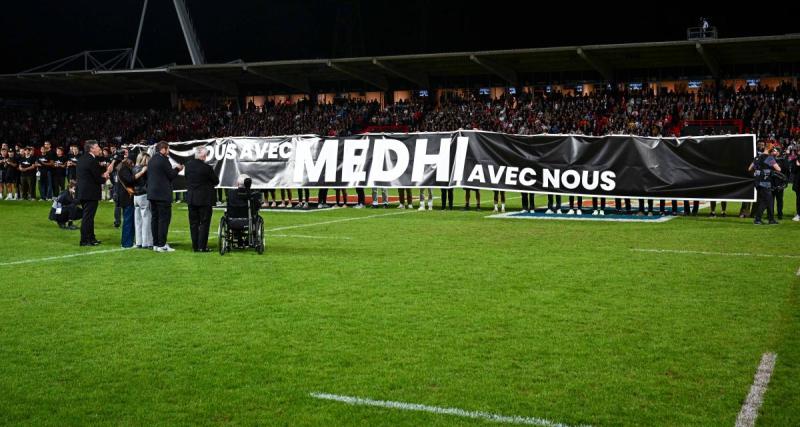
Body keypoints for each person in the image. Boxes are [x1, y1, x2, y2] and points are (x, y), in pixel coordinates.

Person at [147, 141, 184, 252]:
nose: (168, 152)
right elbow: (171, 175)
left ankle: (156, 244)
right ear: (163, 149)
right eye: (168, 149)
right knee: (164, 220)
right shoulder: (163, 160)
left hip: (152, 194)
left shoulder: (152, 159)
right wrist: (178, 168)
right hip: (162, 195)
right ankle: (162, 245)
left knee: (155, 219)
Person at [184, 147, 219, 252]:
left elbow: (186, 178)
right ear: (203, 156)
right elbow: (216, 181)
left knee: (193, 223)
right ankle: (202, 246)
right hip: (204, 199)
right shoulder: (207, 168)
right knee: (204, 223)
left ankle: (195, 246)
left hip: (192, 198)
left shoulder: (188, 166)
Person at [76, 141, 109, 246]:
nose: (99, 148)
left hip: (83, 192)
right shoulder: (92, 160)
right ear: (91, 149)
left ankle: (91, 238)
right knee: (88, 217)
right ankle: (85, 240)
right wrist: (105, 177)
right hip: (90, 193)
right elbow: (98, 178)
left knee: (88, 217)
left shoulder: (81, 159)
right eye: (97, 147)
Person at [749, 146, 781, 225]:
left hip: (757, 182)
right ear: (770, 150)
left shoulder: (757, 157)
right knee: (766, 201)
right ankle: (757, 219)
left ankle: (771, 219)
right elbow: (778, 169)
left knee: (769, 200)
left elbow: (749, 168)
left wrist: (758, 171)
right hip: (765, 182)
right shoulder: (769, 158)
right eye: (773, 150)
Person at [132, 153, 152, 249]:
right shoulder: (145, 169)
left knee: (138, 221)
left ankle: (138, 242)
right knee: (146, 220)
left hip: (135, 196)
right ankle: (146, 242)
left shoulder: (133, 168)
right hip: (143, 195)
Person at [115, 158, 136, 248]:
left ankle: (128, 242)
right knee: (128, 220)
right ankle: (126, 243)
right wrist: (139, 174)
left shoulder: (121, 168)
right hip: (127, 198)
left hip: (124, 197)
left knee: (128, 220)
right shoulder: (124, 169)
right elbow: (129, 180)